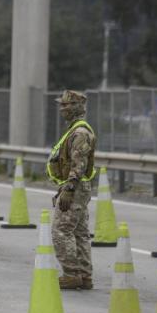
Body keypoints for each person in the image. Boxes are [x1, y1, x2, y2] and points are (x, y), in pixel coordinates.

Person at [47, 90, 97, 290]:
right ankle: (84, 275)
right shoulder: (75, 130)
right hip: (76, 186)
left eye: (66, 105)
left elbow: (79, 164)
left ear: (76, 107)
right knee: (79, 232)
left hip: (75, 187)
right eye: (61, 105)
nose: (62, 109)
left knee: (61, 230)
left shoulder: (80, 133)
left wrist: (68, 189)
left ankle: (71, 274)